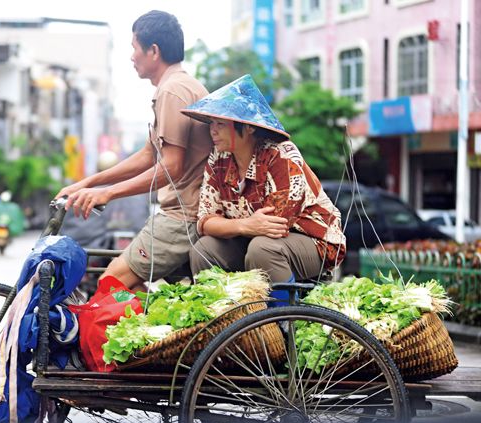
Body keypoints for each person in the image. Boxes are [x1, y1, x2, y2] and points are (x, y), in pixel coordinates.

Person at [55, 10, 212, 292]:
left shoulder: (173, 91)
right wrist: (88, 183)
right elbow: (147, 156)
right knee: (135, 285)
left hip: (182, 217)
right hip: (184, 212)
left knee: (111, 282)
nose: (131, 56)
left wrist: (109, 193)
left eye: (134, 47)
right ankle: (156, 334)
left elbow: (171, 167)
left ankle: (145, 335)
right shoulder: (177, 86)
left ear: (153, 51)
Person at [182, 74, 346, 286]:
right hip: (251, 239)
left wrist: (241, 226)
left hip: (313, 241)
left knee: (263, 249)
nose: (212, 130)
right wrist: (244, 226)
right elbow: (205, 222)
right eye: (211, 123)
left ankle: (283, 316)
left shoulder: (282, 156)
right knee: (203, 249)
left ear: (249, 127)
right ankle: (223, 316)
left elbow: (273, 226)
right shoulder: (218, 159)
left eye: (220, 124)